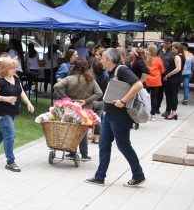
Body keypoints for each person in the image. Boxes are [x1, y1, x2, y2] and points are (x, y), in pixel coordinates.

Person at [85, 48, 146, 187]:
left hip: (120, 117)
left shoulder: (121, 70)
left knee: (124, 146)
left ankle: (138, 175)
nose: (100, 60)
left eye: (103, 58)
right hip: (109, 114)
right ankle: (99, 177)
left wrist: (123, 101)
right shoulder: (112, 71)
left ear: (110, 60)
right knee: (104, 144)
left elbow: (138, 85)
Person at [0, 57, 35, 171]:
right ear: (6, 68)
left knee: (2, 133)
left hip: (11, 111)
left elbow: (21, 92)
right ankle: (10, 162)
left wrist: (28, 103)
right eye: (13, 68)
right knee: (10, 134)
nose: (16, 70)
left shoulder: (16, 79)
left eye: (16, 67)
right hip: (1, 112)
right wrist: (5, 98)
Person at [54, 57, 103, 161]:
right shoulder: (90, 80)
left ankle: (72, 152)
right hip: (86, 109)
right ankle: (84, 155)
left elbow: (56, 86)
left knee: (72, 129)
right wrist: (86, 101)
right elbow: (99, 93)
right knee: (83, 131)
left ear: (74, 66)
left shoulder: (69, 78)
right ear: (86, 67)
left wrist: (66, 98)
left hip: (70, 108)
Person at [162, 42, 183, 120]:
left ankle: (173, 113)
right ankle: (173, 113)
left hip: (173, 79)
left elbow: (178, 68)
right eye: (172, 49)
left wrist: (168, 74)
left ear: (178, 49)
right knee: (173, 95)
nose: (172, 51)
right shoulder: (181, 56)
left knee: (172, 95)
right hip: (176, 79)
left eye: (174, 49)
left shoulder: (177, 57)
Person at [144, 44, 165, 120]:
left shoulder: (146, 59)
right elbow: (162, 71)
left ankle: (145, 113)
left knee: (145, 97)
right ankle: (153, 115)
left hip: (147, 80)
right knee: (154, 98)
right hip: (156, 81)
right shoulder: (159, 59)